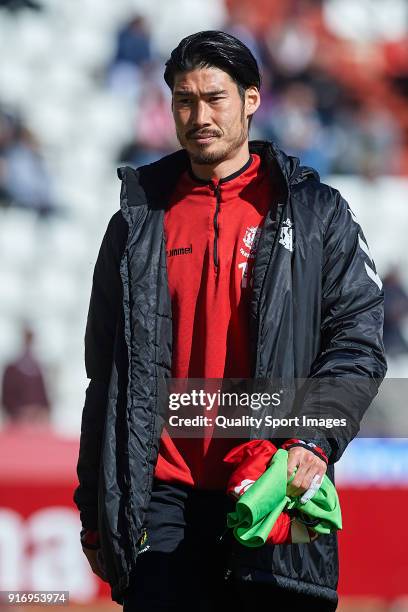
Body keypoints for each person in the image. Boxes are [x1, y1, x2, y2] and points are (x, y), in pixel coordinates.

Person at [73, 31, 387, 612]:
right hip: (161, 495)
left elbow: (358, 343)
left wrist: (314, 439)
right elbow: (104, 378)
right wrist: (94, 502)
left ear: (251, 99)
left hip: (272, 484)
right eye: (185, 101)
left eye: (215, 98)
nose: (200, 116)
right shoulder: (135, 225)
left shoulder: (316, 215)